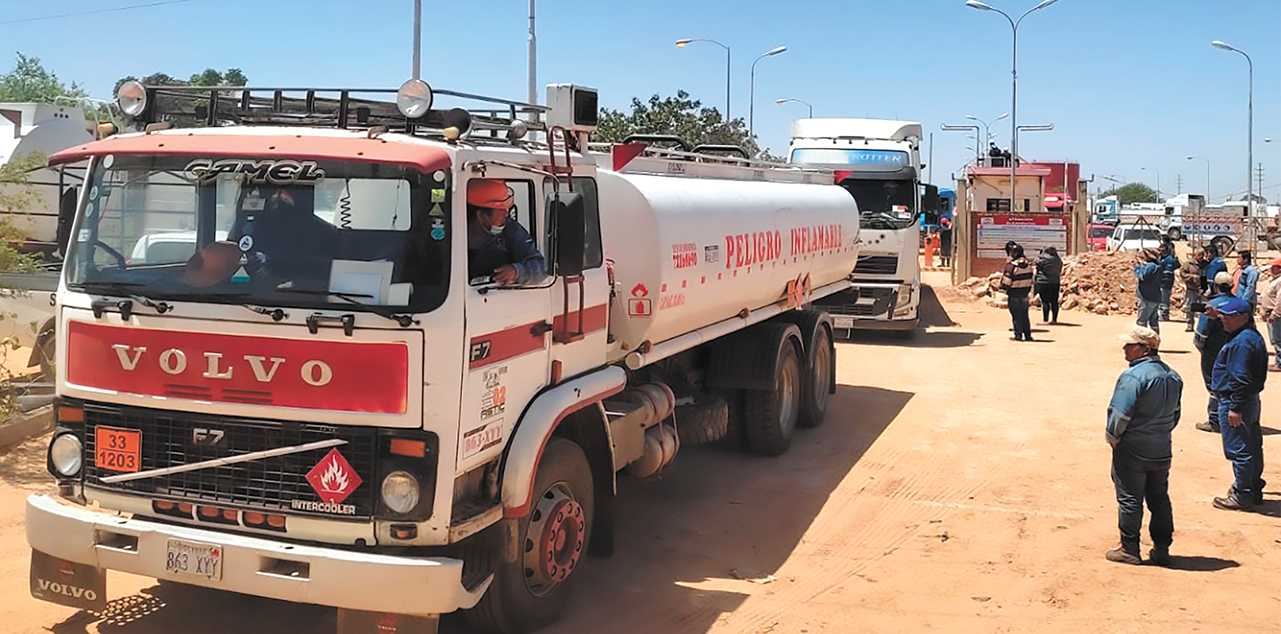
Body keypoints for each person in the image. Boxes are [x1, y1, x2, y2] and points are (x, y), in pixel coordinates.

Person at [1105, 325, 1182, 566]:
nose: (1124, 349)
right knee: (1159, 498)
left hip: (1133, 447)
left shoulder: (1132, 377)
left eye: (1129, 345)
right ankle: (1162, 548)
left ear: (1144, 349)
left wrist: (1113, 438)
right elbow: (1175, 414)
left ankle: (1129, 548)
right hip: (1160, 446)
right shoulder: (1173, 376)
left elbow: (1120, 414)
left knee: (1129, 497)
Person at [1208, 296, 1268, 511]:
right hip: (1248, 400)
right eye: (1223, 314)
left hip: (1236, 401)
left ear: (1243, 317)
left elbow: (1241, 378)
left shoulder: (1242, 342)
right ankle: (1252, 487)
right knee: (1252, 445)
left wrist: (1235, 407)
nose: (1223, 318)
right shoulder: (1249, 336)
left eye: (1229, 315)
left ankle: (1242, 494)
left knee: (1240, 448)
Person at [466, 178, 546, 285]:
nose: (506, 214)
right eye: (500, 209)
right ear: (480, 215)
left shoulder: (511, 230)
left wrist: (516, 271)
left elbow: (541, 267)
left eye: (507, 209)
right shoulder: (449, 232)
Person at [1000, 244, 1034, 341]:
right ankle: (1027, 335)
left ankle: (1018, 334)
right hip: (1025, 294)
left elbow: (1006, 282)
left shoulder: (1011, 266)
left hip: (1014, 294)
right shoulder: (1029, 265)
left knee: (1016, 315)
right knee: (1024, 315)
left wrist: (1004, 288)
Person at [1133, 248, 1163, 334]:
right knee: (1154, 322)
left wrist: (1137, 268)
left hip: (1146, 297)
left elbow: (1142, 276)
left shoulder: (1151, 267)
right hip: (1155, 297)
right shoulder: (1157, 266)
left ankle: (1141, 342)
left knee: (1141, 322)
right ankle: (1154, 342)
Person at [1259, 257, 1281, 372]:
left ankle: (1280, 363)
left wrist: (1275, 314)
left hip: (1276, 315)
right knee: (1275, 338)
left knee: (1278, 339)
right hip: (1270, 313)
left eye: (1273, 267)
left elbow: (1280, 301)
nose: (1270, 269)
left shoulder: (1280, 281)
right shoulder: (1274, 280)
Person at [1180, 248, 1206, 332]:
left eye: (1202, 254)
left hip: (1202, 289)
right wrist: (1192, 278)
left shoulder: (1205, 264)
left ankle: (1201, 327)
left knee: (1202, 308)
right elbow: (1182, 273)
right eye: (1199, 255)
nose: (1201, 257)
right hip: (1191, 289)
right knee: (1190, 307)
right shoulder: (1189, 263)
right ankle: (1189, 324)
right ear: (1195, 255)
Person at [1035, 246, 1063, 325]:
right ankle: (1054, 319)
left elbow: (1036, 263)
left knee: (1045, 301)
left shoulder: (1042, 259)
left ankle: (1045, 320)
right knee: (1054, 301)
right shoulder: (1058, 260)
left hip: (1043, 282)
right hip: (1055, 282)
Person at [1158, 242, 1180, 321]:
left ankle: (1164, 315)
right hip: (1161, 280)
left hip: (1166, 281)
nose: (1161, 252)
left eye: (1163, 251)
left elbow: (1168, 271)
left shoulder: (1169, 259)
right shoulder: (1161, 258)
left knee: (1164, 298)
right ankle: (1162, 314)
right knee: (1161, 298)